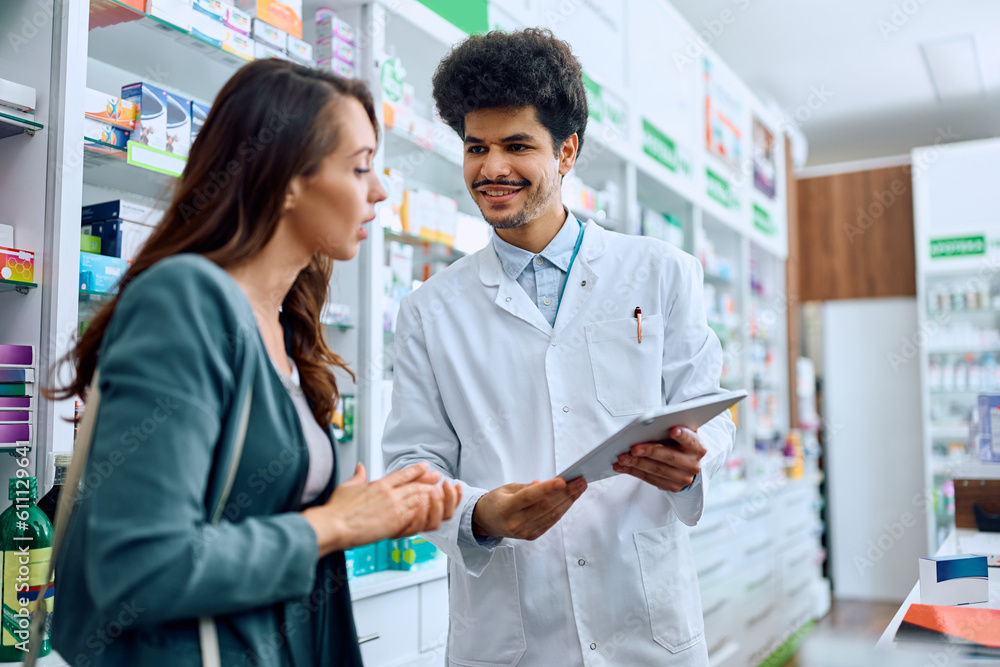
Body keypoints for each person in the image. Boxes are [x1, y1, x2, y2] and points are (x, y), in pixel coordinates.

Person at [46, 59, 461, 666]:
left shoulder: (285, 326)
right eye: (361, 167)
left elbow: (242, 517)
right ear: (289, 178)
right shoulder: (184, 300)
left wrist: (369, 514)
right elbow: (139, 566)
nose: (378, 191)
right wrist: (336, 524)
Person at [382, 28, 735, 666]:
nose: (492, 169)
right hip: (510, 635)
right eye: (476, 147)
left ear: (567, 150)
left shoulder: (661, 272)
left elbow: (709, 409)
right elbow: (411, 466)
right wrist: (481, 513)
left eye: (518, 145)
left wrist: (695, 462)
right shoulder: (428, 311)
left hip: (644, 626)